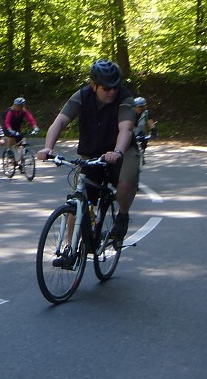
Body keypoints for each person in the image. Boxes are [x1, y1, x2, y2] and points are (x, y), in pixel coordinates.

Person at [38, 59, 140, 248]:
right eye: (107, 88)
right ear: (94, 85)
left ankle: (123, 216)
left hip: (122, 150)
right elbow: (59, 122)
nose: (112, 91)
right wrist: (48, 147)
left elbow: (126, 129)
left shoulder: (125, 99)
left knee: (125, 182)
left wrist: (117, 151)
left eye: (115, 87)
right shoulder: (82, 96)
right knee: (78, 198)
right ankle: (71, 247)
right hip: (92, 151)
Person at [3, 97, 39, 161]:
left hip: (17, 129)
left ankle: (21, 162)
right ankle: (9, 150)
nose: (18, 107)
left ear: (22, 106)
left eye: (20, 106)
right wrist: (10, 130)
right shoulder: (11, 111)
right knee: (12, 136)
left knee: (21, 144)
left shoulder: (24, 112)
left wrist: (35, 127)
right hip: (8, 128)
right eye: (17, 105)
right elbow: (7, 122)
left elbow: (31, 119)